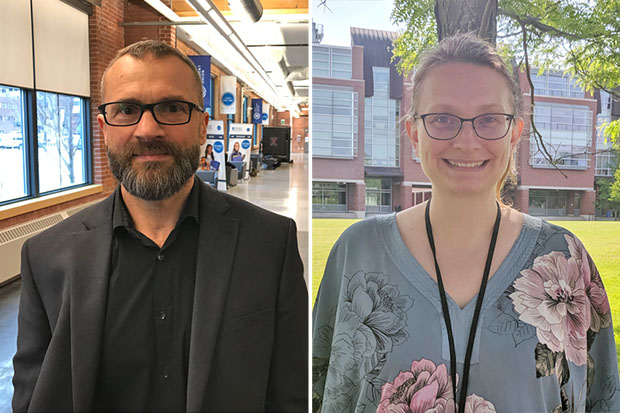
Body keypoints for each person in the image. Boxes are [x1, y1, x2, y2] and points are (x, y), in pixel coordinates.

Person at [312, 33, 620, 412]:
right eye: (443, 118)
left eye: (489, 119)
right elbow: (323, 390)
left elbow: (603, 397)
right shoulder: (358, 252)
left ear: (515, 135)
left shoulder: (566, 260)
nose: (467, 140)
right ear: (413, 133)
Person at [13, 40, 307, 412]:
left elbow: (289, 394)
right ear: (104, 127)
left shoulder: (269, 245)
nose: (148, 129)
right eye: (127, 110)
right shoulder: (45, 257)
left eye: (172, 108)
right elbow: (31, 396)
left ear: (203, 128)